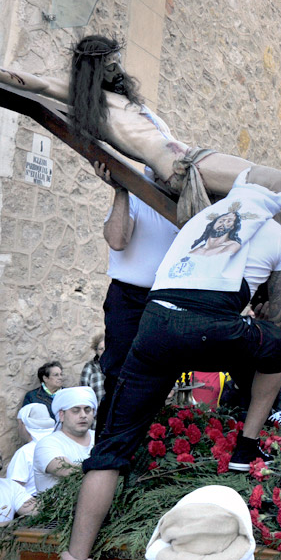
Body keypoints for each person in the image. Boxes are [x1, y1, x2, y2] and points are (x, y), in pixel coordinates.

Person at [0, 31, 281, 307]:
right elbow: (29, 83)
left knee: (269, 203)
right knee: (277, 182)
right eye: (109, 61)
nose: (118, 66)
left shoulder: (126, 100)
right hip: (180, 167)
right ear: (95, 67)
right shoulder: (82, 97)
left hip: (193, 156)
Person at [62, 178, 281, 560]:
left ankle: (75, 557)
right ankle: (246, 445)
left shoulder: (196, 219)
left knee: (110, 448)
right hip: (211, 330)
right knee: (276, 344)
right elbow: (278, 314)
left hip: (154, 326)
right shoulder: (276, 233)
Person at [93, 159, 179, 434]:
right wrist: (121, 191)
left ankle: (151, 445)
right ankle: (107, 452)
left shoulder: (185, 207)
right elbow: (117, 240)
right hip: (128, 298)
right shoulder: (136, 198)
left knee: (160, 378)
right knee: (119, 376)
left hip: (167, 298)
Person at [35, 387, 98, 493]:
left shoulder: (101, 439)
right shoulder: (47, 444)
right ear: (61, 415)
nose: (83, 415)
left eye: (87, 410)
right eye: (75, 410)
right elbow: (70, 472)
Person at [6, 404, 56, 496]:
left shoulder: (25, 452)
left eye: (18, 424)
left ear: (23, 424)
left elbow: (13, 489)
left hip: (31, 505)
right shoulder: (57, 445)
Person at [80, 334, 106, 404]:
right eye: (101, 349)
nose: (104, 352)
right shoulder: (89, 367)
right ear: (96, 351)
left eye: (106, 348)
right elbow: (84, 392)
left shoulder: (117, 367)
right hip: (97, 411)